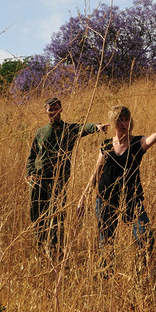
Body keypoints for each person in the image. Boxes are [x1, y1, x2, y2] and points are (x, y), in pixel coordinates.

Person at [78, 106, 156, 268]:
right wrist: (83, 198)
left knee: (145, 236)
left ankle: (141, 271)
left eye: (127, 120)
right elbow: (96, 174)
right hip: (105, 199)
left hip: (131, 199)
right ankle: (105, 276)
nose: (124, 124)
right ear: (113, 123)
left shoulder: (136, 143)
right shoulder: (105, 145)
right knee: (106, 243)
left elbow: (149, 140)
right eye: (120, 120)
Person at [25, 97, 107, 259]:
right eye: (50, 110)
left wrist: (97, 127)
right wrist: (29, 174)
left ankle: (56, 251)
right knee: (36, 216)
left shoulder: (67, 130)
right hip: (37, 181)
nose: (53, 113)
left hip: (58, 181)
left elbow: (84, 128)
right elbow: (32, 156)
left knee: (56, 217)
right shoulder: (40, 132)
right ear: (46, 112)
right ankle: (41, 248)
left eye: (56, 109)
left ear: (61, 110)